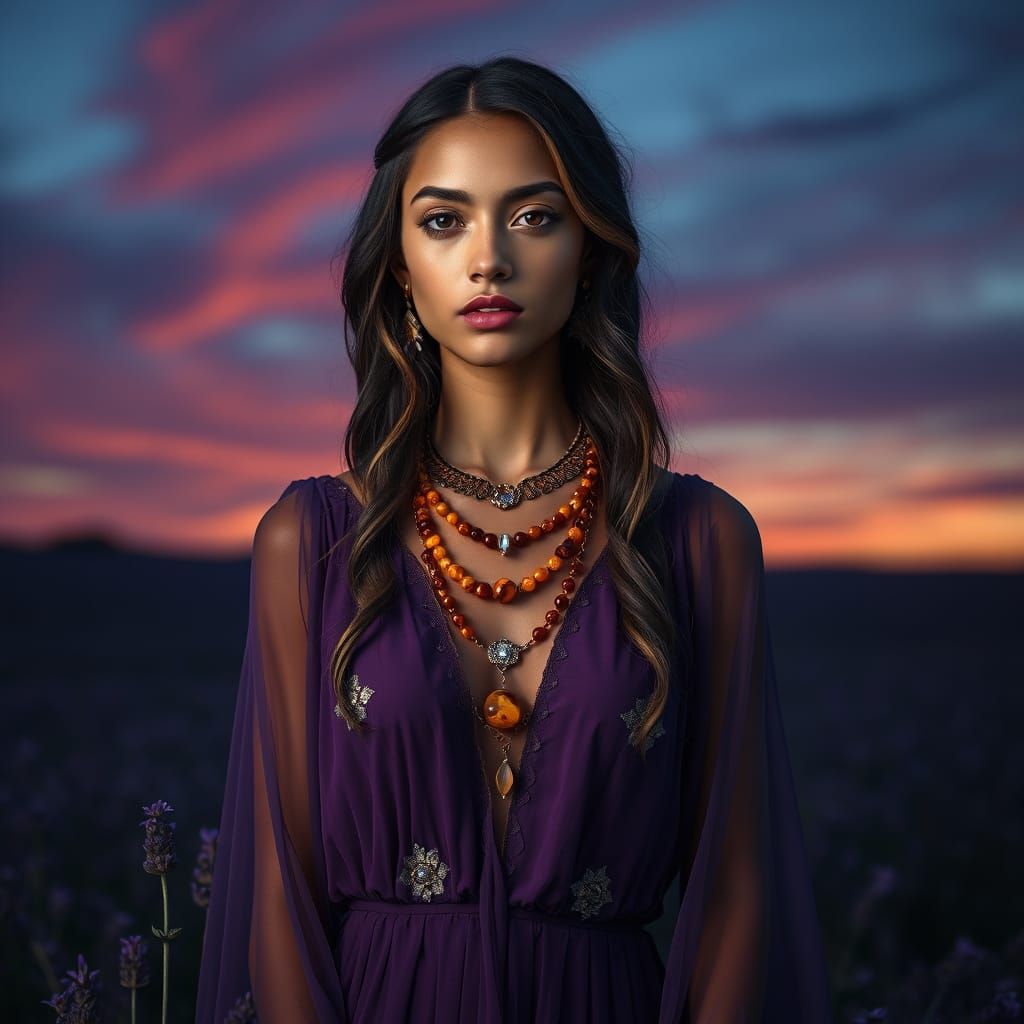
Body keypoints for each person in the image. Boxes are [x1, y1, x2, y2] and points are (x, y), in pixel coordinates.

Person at [195, 56, 834, 1023]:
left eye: (534, 215)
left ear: (591, 249)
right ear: (400, 265)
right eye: (444, 220)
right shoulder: (310, 540)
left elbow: (738, 893)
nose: (488, 258)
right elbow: (282, 899)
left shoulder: (702, 540)